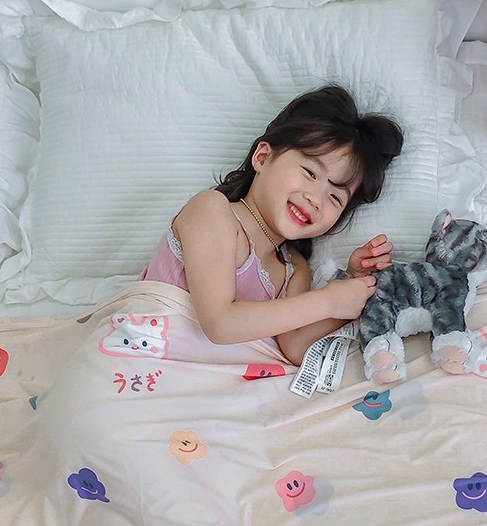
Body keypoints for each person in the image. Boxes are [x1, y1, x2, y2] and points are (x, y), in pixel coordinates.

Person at [140, 84, 404, 365]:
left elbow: (294, 348)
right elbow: (219, 323)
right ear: (263, 157)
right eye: (310, 172)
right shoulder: (211, 210)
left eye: (335, 198)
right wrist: (328, 301)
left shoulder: (294, 267)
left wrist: (351, 282)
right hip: (141, 359)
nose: (316, 199)